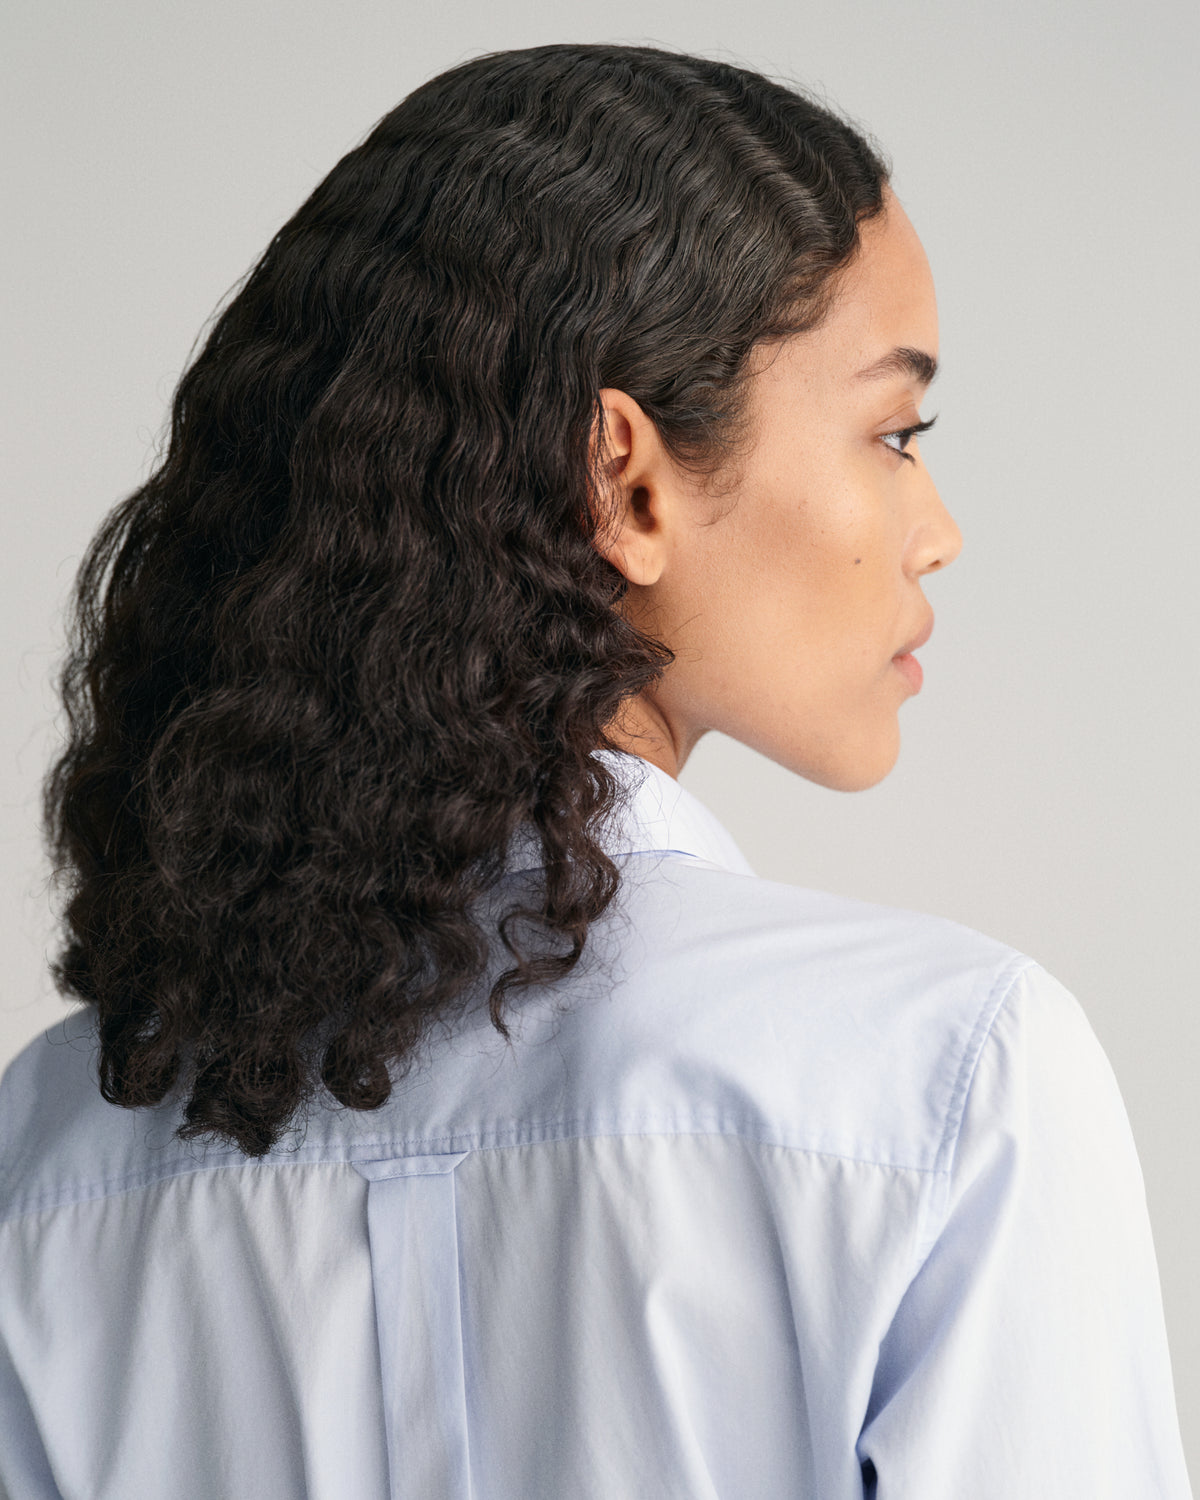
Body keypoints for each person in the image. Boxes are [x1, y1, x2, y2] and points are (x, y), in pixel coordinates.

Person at [0, 42, 1190, 1500]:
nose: (936, 529)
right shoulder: (953, 1081)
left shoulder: (52, 1149)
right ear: (621, 480)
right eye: (894, 431)